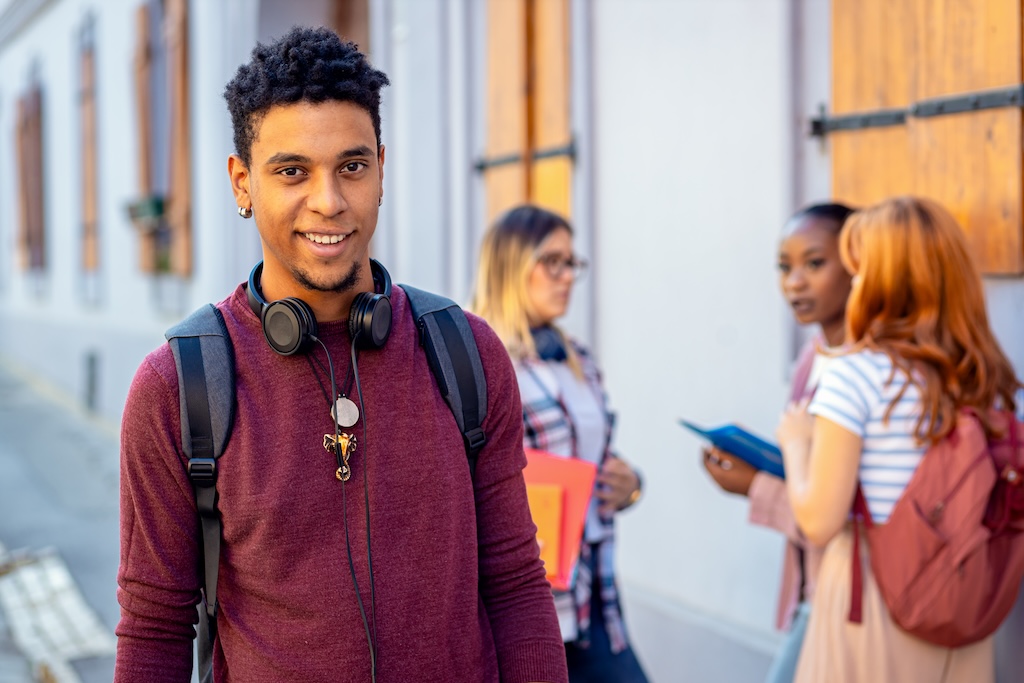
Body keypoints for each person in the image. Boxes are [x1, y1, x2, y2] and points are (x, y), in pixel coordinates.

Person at [113, 27, 568, 683]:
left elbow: (518, 585)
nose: (327, 201)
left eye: (351, 167)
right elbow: (154, 629)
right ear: (243, 183)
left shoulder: (466, 352)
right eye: (291, 171)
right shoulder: (178, 387)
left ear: (381, 169)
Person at [776, 196, 1019, 682]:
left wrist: (796, 443)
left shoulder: (854, 375)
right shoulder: (979, 375)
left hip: (874, 599)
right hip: (964, 599)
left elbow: (819, 521)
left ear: (877, 278)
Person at [470, 205, 649, 683]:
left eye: (572, 263)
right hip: (526, 598)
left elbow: (593, 454)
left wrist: (629, 484)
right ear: (512, 265)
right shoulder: (478, 362)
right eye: (553, 261)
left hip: (594, 589)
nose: (567, 276)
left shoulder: (578, 359)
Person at [702, 203, 854, 683]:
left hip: (850, 596)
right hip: (812, 591)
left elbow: (847, 513)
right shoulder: (813, 358)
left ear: (858, 264)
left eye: (814, 264)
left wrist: (756, 489)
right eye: (784, 267)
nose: (794, 283)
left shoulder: (865, 371)